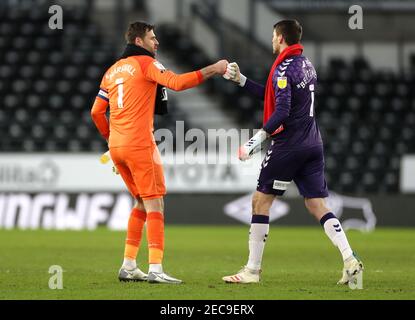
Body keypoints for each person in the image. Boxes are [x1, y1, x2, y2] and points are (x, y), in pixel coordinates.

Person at [221, 20, 363, 285]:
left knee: (260, 202)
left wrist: (256, 141)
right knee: (317, 204)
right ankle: (350, 258)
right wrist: (241, 81)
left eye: (274, 36)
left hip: (289, 145)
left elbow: (282, 111)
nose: (272, 40)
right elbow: (274, 97)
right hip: (312, 143)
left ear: (280, 37)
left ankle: (252, 271)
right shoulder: (306, 63)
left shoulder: (284, 69)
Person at [91, 21, 228, 284]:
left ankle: (129, 265)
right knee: (155, 202)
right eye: (152, 38)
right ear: (139, 42)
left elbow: (96, 112)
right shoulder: (146, 63)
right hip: (140, 144)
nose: (157, 43)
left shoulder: (111, 71)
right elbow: (176, 83)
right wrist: (214, 69)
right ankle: (156, 268)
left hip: (118, 146)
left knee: (140, 202)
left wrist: (111, 138)